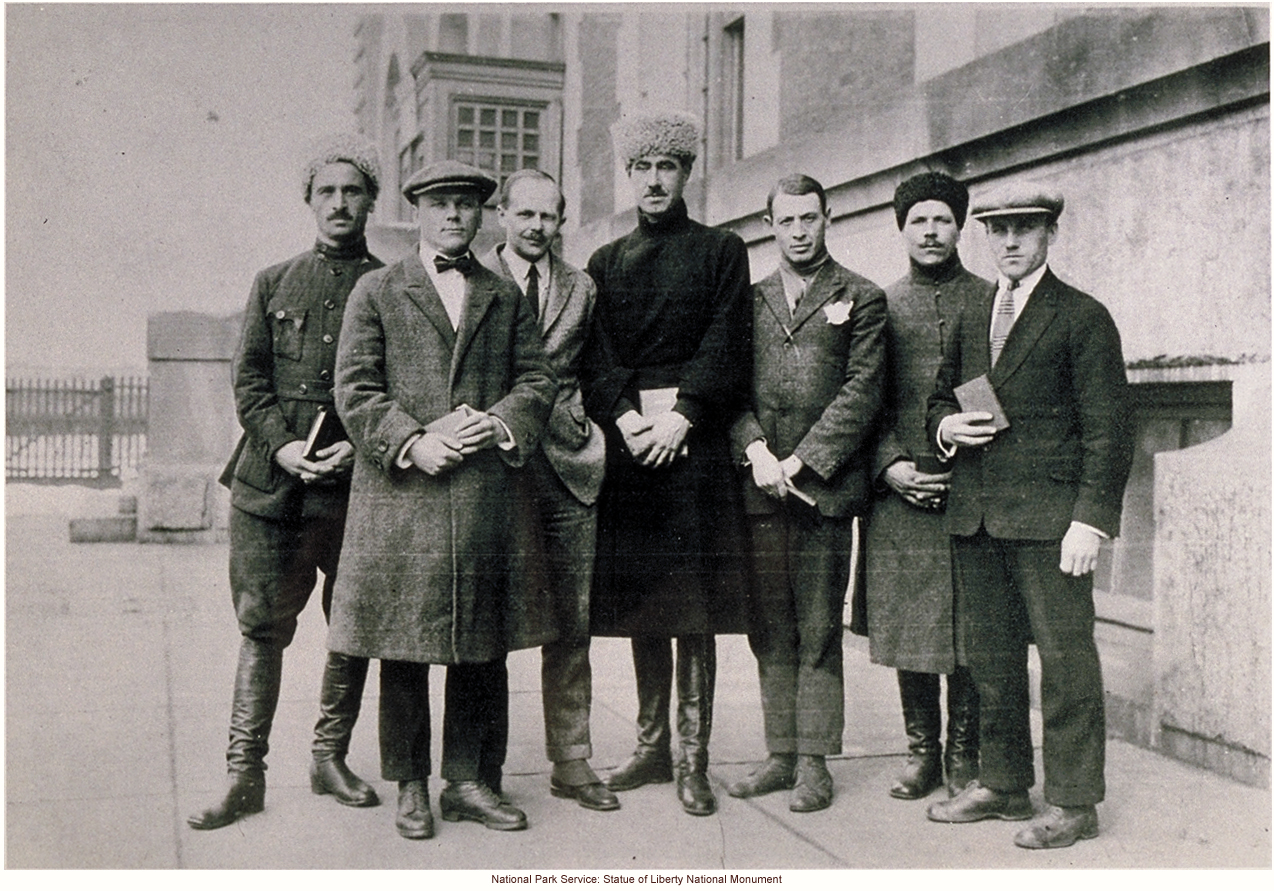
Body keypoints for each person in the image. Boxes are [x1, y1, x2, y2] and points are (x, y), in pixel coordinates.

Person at [326, 160, 556, 840]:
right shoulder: (377, 289)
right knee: (402, 647)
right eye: (441, 205)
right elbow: (355, 389)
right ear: (418, 214)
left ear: (483, 216)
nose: (455, 216)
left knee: (483, 646)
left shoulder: (504, 294)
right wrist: (410, 441)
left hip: (485, 496)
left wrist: (503, 418)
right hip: (404, 496)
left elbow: (536, 379)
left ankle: (468, 780)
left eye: (466, 205)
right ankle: (411, 785)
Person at [925, 182, 1132, 849]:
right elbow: (935, 401)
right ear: (984, 236)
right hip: (979, 518)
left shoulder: (1082, 316)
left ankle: (1074, 801)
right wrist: (947, 426)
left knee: (1067, 664)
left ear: (1050, 235)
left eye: (1024, 228)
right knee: (993, 662)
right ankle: (1004, 782)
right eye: (998, 229)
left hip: (1051, 525)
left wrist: (1090, 521)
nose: (1010, 241)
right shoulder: (973, 312)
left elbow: (1110, 429)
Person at [188, 134, 384, 831]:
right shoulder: (273, 281)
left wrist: (352, 456)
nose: (339, 202)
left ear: (370, 201)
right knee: (261, 626)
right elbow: (249, 382)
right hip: (272, 487)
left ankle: (329, 757)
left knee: (353, 626)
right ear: (309, 200)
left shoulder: (390, 286)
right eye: (326, 191)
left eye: (352, 190)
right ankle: (244, 773)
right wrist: (287, 449)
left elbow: (392, 395)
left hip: (358, 489)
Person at [581, 110, 752, 817]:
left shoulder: (722, 251)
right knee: (644, 601)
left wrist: (682, 416)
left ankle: (693, 757)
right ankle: (651, 743)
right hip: (631, 449)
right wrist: (626, 419)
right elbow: (596, 354)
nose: (654, 180)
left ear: (686, 173)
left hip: (693, 445)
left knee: (695, 608)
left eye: (668, 167)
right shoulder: (605, 262)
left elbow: (727, 341)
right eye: (643, 167)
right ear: (629, 175)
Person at [727, 174, 886, 812]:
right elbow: (728, 388)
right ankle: (780, 753)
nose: (799, 232)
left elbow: (862, 391)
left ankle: (815, 762)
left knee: (818, 624)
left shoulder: (862, 297)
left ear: (828, 219)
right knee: (770, 624)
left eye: (810, 219)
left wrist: (804, 460)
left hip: (821, 490)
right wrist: (758, 451)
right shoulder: (748, 298)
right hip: (761, 485)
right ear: (770, 225)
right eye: (787, 221)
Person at [479, 169, 618, 812]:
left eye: (549, 216)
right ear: (500, 215)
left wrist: (590, 420)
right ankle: (482, 768)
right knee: (491, 622)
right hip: (494, 466)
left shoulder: (582, 286)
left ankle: (572, 759)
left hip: (567, 463)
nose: (537, 227)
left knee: (571, 621)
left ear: (561, 222)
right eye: (525, 214)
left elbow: (598, 367)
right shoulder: (472, 281)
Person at [863, 172, 988, 800]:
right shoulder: (878, 305)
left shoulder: (991, 300)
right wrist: (890, 467)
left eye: (942, 219)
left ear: (960, 225)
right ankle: (922, 751)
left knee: (969, 628)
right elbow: (863, 401)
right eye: (919, 221)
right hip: (899, 494)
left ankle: (965, 750)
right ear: (902, 229)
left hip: (972, 492)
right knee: (911, 625)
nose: (931, 231)